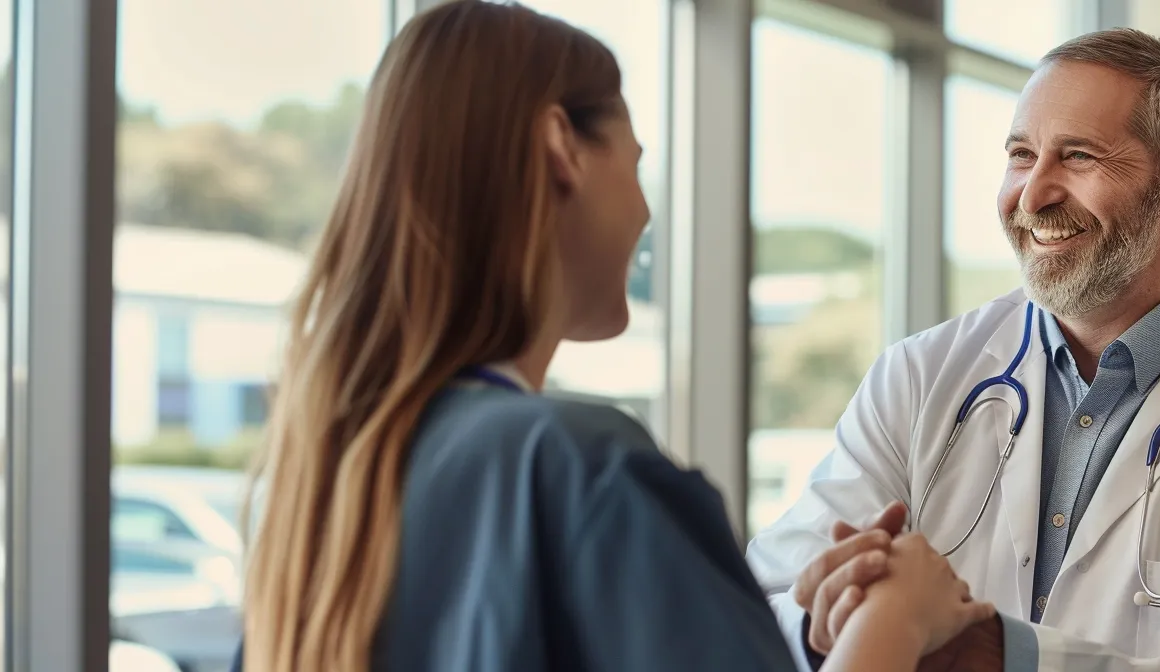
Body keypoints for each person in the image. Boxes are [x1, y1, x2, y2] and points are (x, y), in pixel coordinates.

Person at [232, 2, 992, 671]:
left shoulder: (324, 481)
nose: (644, 214)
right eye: (635, 164)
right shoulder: (583, 468)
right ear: (562, 146)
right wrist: (900, 616)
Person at [746, 28, 1160, 672]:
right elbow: (758, 601)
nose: (1033, 194)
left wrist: (997, 652)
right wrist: (834, 618)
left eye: (1078, 156)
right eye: (1022, 155)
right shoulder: (919, 378)